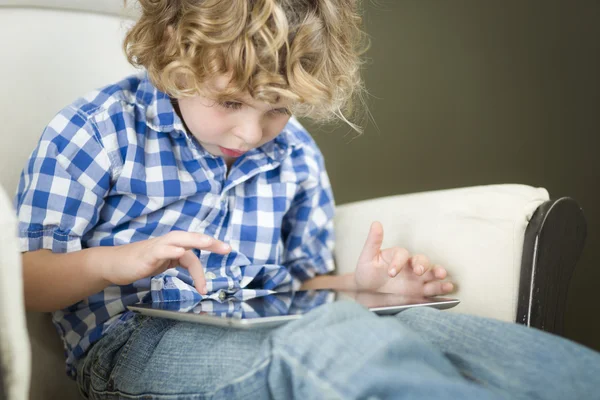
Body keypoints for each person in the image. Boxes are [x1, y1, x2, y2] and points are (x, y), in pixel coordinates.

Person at [15, 0, 600, 399]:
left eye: (277, 109)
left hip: (268, 316)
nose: (250, 134)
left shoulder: (293, 153)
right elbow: (20, 283)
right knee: (329, 348)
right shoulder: (94, 131)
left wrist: (362, 287)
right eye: (230, 103)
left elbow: (300, 289)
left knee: (443, 335)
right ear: (175, 60)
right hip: (133, 343)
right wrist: (116, 262)